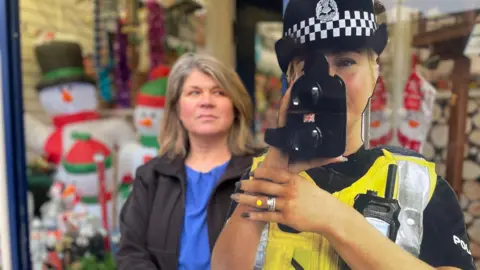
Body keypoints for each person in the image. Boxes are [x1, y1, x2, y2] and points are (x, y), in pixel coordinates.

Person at [211, 0, 475, 270]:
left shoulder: (418, 185)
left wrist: (332, 218)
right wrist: (272, 170)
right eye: (308, 68)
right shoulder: (261, 173)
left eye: (346, 62)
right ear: (291, 80)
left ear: (375, 72)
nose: (328, 81)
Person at [116, 53, 261, 269]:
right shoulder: (152, 176)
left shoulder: (260, 172)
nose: (206, 102)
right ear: (177, 109)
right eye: (194, 92)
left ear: (235, 107)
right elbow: (130, 252)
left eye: (219, 92)